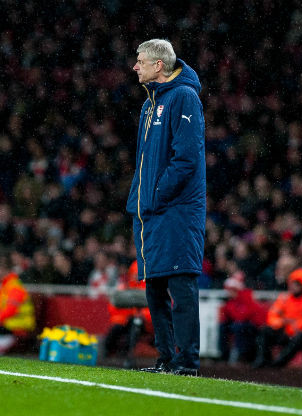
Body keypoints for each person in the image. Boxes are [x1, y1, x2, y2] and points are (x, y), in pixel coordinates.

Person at [126, 39, 205, 376]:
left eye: (140, 60)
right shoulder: (149, 105)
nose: (135, 66)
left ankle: (187, 362)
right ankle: (166, 359)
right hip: (150, 211)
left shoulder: (184, 97)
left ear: (159, 65)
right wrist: (140, 200)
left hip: (176, 210)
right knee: (155, 285)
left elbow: (186, 158)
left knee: (180, 285)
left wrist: (155, 195)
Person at [252, 268, 302, 368]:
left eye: (296, 284)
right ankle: (262, 360)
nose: (292, 287)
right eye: (292, 283)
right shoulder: (284, 298)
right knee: (264, 331)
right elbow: (272, 316)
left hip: (299, 334)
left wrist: (290, 325)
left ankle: (278, 363)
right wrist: (282, 323)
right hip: (284, 330)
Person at [104, 261, 153, 369]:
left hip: (145, 323)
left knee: (134, 329)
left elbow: (154, 310)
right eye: (134, 273)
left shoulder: (149, 289)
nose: (136, 276)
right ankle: (107, 356)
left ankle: (126, 356)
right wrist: (126, 316)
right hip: (127, 320)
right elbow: (114, 305)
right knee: (116, 330)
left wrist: (142, 316)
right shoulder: (126, 287)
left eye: (138, 274)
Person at [218, 272, 266, 363]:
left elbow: (243, 315)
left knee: (238, 327)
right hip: (242, 324)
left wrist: (229, 308)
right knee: (223, 327)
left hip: (254, 325)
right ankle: (224, 355)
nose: (229, 292)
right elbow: (228, 317)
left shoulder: (246, 296)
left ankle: (242, 355)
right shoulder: (232, 300)